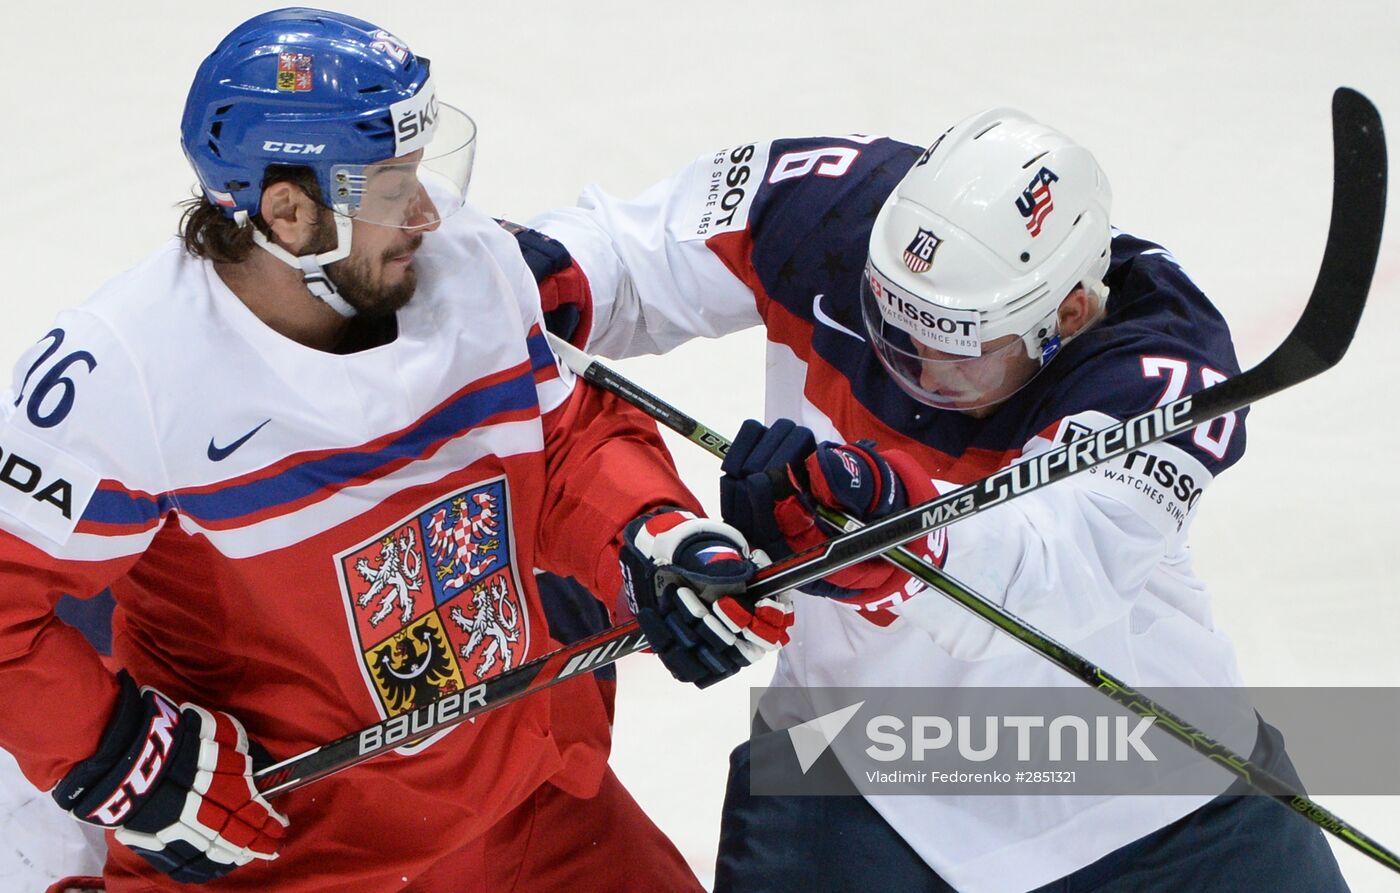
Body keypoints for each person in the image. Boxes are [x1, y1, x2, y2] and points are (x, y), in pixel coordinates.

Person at [0, 8, 790, 891]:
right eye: (388, 188)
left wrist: (653, 532)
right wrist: (114, 752)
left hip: (529, 807)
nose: (426, 211)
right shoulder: (124, 377)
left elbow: (562, 440)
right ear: (288, 210)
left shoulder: (467, 265)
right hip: (291, 856)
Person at [527, 110, 1350, 891]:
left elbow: (1050, 575)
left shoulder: (1158, 370)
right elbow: (629, 255)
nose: (909, 373)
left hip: (1142, 789)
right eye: (892, 328)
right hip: (842, 764)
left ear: (1066, 315)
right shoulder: (825, 209)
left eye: (955, 354)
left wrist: (895, 533)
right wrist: (509, 284)